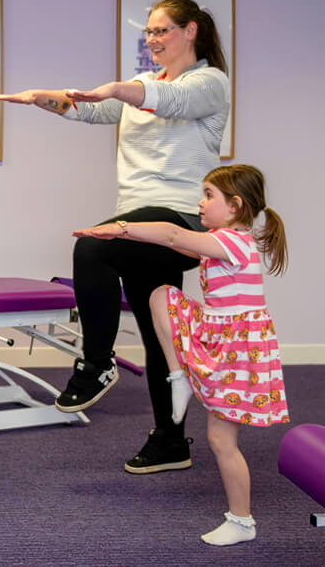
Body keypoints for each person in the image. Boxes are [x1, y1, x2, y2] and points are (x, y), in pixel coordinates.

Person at [0, 0, 230, 474]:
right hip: (137, 223)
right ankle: (170, 441)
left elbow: (169, 102)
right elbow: (88, 110)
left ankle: (97, 361)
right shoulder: (141, 87)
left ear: (191, 31)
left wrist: (120, 89)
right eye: (149, 32)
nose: (153, 39)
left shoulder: (208, 83)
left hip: (179, 221)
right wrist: (45, 98)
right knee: (159, 330)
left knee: (93, 245)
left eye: (162, 30)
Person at [74, 164, 289, 546]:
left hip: (235, 350)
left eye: (209, 196)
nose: (200, 203)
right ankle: (178, 379)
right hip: (218, 333)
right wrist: (126, 238)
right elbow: (173, 242)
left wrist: (118, 228)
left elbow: (174, 233)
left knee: (223, 442)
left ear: (235, 206)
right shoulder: (221, 241)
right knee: (161, 296)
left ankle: (242, 521)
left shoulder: (234, 243)